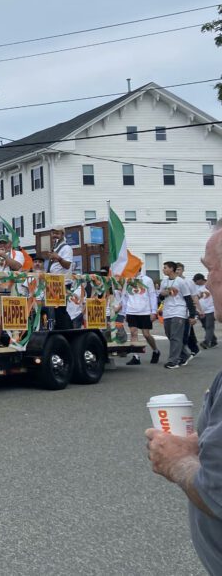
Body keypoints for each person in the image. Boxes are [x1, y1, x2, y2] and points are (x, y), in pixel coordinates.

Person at [146, 225, 222, 572]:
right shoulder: (163, 285)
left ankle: (178, 356)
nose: (207, 281)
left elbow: (217, 492)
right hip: (171, 314)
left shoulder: (185, 284)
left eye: (211, 269)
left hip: (180, 316)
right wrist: (200, 441)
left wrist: (178, 462)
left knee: (178, 341)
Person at [118, 270, 160, 365]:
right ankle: (136, 357)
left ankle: (156, 351)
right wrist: (124, 312)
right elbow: (125, 297)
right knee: (133, 333)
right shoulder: (127, 280)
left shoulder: (147, 280)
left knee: (146, 334)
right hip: (131, 311)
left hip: (145, 311)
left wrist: (154, 311)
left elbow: (152, 295)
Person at [159, 260, 194, 369]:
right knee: (170, 335)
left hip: (179, 311)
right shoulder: (164, 282)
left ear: (171, 269)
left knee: (175, 336)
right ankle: (186, 354)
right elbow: (160, 297)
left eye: (165, 268)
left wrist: (192, 315)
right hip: (167, 311)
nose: (163, 270)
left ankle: (173, 361)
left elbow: (188, 298)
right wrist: (162, 294)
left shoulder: (181, 282)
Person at [44, 227, 75, 329]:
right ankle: (61, 329)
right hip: (54, 283)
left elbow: (67, 265)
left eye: (57, 233)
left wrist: (58, 258)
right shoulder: (56, 248)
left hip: (63, 283)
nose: (54, 235)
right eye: (53, 233)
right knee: (56, 310)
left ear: (62, 234)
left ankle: (68, 330)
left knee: (60, 310)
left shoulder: (66, 248)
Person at [179, 263, 204, 357]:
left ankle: (187, 351)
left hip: (188, 310)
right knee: (186, 331)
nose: (177, 271)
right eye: (176, 269)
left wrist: (200, 310)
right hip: (177, 310)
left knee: (186, 331)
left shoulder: (189, 282)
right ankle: (194, 348)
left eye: (179, 269)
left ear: (183, 270)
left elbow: (194, 297)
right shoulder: (172, 282)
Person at [195, 273, 218, 349]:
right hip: (201, 311)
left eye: (196, 280)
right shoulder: (197, 287)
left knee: (209, 326)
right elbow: (196, 298)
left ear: (201, 280)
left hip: (211, 309)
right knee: (205, 326)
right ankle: (213, 340)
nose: (195, 282)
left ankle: (206, 342)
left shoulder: (210, 285)